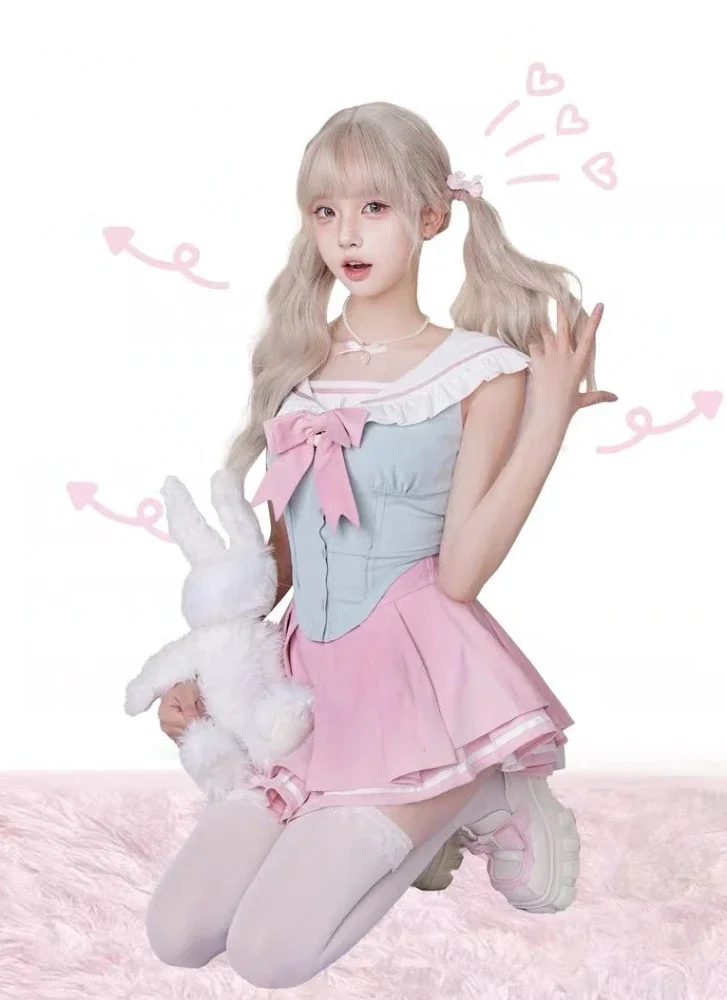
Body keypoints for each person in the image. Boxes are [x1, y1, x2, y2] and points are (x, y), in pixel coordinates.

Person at [145, 100, 616, 990]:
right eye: (325, 211)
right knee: (178, 934)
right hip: (305, 693)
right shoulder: (298, 362)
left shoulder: (479, 370)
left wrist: (548, 418)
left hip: (413, 689)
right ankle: (424, 817)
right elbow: (282, 558)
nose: (347, 234)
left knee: (269, 954)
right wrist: (210, 668)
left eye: (374, 207)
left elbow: (463, 573)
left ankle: (474, 789)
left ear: (431, 216)